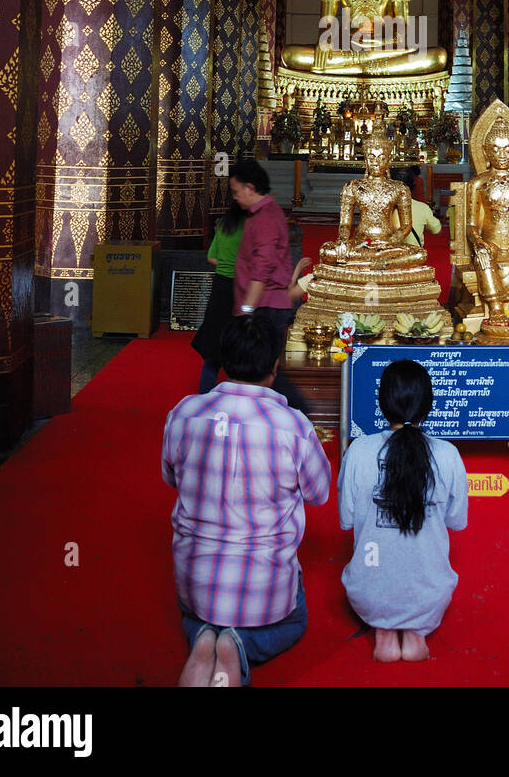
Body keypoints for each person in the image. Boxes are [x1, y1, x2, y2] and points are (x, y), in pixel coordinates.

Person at [162, 315, 331, 687]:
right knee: (295, 621)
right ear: (275, 367)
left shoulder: (183, 413)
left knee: (193, 614)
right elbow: (319, 494)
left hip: (196, 582)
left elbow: (171, 477)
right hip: (267, 591)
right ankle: (238, 644)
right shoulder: (293, 426)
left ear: (223, 361)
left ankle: (203, 635)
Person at [337, 359, 468, 662]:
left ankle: (382, 630)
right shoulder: (448, 455)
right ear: (428, 404)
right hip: (429, 597)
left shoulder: (358, 451)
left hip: (366, 595)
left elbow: (346, 520)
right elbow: (456, 521)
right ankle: (415, 632)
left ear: (382, 403)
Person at [229, 159, 307, 412]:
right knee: (264, 365)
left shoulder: (264, 217)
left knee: (262, 367)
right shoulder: (264, 213)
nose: (236, 198)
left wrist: (247, 311)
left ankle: (294, 409)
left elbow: (261, 269)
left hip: (266, 305)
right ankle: (279, 410)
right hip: (268, 303)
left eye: (236, 191)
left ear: (250, 188)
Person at [191, 202, 246, 394]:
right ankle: (238, 393)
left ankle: (205, 393)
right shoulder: (249, 228)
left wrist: (225, 263)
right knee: (240, 340)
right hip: (240, 287)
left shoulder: (222, 225)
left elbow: (211, 257)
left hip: (219, 286)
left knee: (215, 342)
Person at [390, 164, 442, 249]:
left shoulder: (383, 209)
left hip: (390, 255)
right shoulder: (422, 208)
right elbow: (436, 229)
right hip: (414, 254)